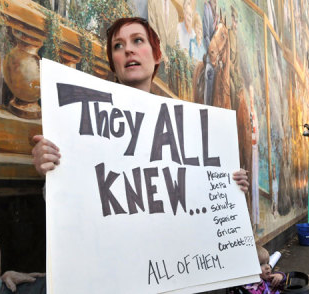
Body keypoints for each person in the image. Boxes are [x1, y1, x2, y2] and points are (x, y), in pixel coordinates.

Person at [32, 17, 249, 192]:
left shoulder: (184, 129)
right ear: (113, 64)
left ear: (157, 56)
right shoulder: (84, 120)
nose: (128, 50)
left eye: (138, 40)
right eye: (118, 45)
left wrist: (230, 184)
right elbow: (74, 205)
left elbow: (197, 192)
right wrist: (51, 171)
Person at [203, 0, 218, 106]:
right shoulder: (206, 8)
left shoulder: (217, 14)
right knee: (210, 73)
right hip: (210, 54)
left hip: (217, 56)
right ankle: (207, 105)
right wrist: (212, 52)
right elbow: (206, 35)